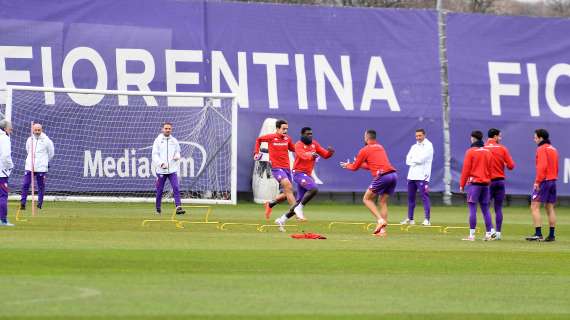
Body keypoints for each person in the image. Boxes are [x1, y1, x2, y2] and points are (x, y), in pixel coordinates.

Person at [274, 127, 334, 230]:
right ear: (302, 135)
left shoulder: (314, 144)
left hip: (307, 175)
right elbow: (302, 156)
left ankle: (281, 220)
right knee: (314, 189)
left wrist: (330, 152)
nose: (310, 135)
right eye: (307, 134)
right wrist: (312, 155)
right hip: (298, 173)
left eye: (311, 134)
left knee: (298, 202)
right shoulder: (298, 145)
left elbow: (325, 155)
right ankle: (300, 208)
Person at [340, 129, 397, 236]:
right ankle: (382, 231)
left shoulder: (364, 150)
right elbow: (370, 166)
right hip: (393, 175)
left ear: (366, 137)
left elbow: (354, 168)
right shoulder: (380, 147)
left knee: (366, 199)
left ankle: (380, 220)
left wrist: (347, 165)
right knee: (382, 202)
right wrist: (357, 163)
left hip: (383, 176)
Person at [253, 119, 296, 219]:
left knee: (287, 193)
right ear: (277, 128)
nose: (285, 131)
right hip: (276, 168)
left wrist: (302, 150)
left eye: (287, 129)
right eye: (283, 129)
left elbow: (293, 149)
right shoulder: (271, 137)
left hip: (287, 168)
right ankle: (297, 213)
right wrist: (256, 152)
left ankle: (270, 204)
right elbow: (258, 140)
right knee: (288, 186)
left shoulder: (287, 139)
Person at [459, 130, 494, 241]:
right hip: (485, 184)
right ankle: (489, 233)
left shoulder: (470, 152)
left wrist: (462, 184)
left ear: (473, 138)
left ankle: (472, 235)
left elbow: (466, 169)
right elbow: (490, 169)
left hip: (474, 184)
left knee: (472, 209)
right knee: (485, 209)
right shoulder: (488, 152)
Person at [526, 129, 558, 242]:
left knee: (534, 206)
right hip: (553, 180)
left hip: (544, 181)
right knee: (549, 208)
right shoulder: (553, 149)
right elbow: (556, 167)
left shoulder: (541, 149)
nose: (534, 139)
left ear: (540, 138)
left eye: (535, 137)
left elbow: (542, 166)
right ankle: (552, 235)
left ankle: (538, 234)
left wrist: (537, 181)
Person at [484, 128, 515, 240]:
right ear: (495, 136)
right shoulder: (502, 148)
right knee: (498, 208)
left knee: (485, 206)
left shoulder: (483, 148)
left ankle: (490, 230)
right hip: (500, 181)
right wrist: (505, 163)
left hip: (488, 182)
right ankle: (498, 233)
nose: (500, 138)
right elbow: (511, 166)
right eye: (499, 136)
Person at [401, 128, 434, 226]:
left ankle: (427, 219)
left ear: (424, 135)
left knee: (424, 197)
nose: (418, 137)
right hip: (411, 175)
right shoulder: (414, 147)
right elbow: (407, 160)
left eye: (420, 135)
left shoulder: (429, 146)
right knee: (410, 197)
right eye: (416, 136)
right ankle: (410, 219)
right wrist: (414, 160)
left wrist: (413, 160)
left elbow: (421, 160)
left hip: (423, 176)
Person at [152, 122, 185, 215]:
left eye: (169, 128)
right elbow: (154, 155)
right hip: (161, 170)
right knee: (160, 190)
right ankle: (158, 208)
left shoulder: (174, 140)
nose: (167, 130)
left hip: (172, 170)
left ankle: (178, 207)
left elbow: (178, 151)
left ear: (171, 129)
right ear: (162, 129)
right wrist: (161, 163)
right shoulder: (158, 140)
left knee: (176, 187)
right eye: (166, 128)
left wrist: (177, 156)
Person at [20, 123, 55, 210]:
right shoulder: (29, 140)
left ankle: (39, 204)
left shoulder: (47, 141)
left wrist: (45, 161)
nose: (37, 131)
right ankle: (23, 203)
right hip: (29, 166)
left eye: (39, 130)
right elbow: (28, 150)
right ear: (33, 130)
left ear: (41, 130)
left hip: (41, 167)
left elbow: (51, 153)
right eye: (35, 130)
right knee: (25, 184)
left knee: (41, 186)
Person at [0, 120, 14, 226]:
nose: (11, 129)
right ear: (5, 129)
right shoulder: (4, 138)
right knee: (3, 196)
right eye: (10, 127)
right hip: (1, 173)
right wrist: (10, 166)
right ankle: (3, 220)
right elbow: (5, 156)